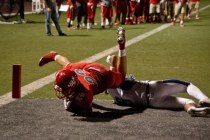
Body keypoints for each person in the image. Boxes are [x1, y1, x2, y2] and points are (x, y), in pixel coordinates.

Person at [38, 27, 127, 116]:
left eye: (65, 89)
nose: (63, 92)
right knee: (68, 66)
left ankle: (121, 46)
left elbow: (88, 112)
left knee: (121, 77)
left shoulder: (86, 92)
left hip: (103, 76)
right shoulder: (71, 76)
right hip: (86, 69)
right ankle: (53, 56)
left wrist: (74, 107)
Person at [105, 56, 210, 117]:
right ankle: (204, 98)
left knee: (186, 102)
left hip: (153, 103)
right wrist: (111, 61)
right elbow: (115, 67)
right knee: (186, 85)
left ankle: (191, 109)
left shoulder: (115, 96)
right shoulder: (114, 84)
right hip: (151, 89)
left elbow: (112, 76)